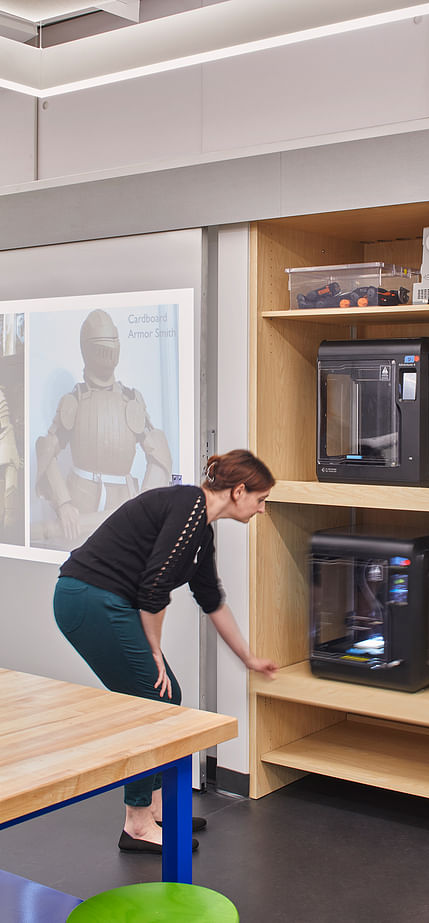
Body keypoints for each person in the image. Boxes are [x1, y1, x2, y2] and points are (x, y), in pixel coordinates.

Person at [53, 449, 278, 855]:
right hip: (87, 597)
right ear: (239, 490)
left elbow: (211, 600)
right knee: (155, 698)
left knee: (165, 697)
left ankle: (155, 810)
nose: (261, 510)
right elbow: (153, 587)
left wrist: (247, 657)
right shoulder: (188, 505)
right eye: (261, 500)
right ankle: (137, 823)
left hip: (106, 600)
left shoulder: (201, 530)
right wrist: (154, 650)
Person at [35, 308, 172, 547]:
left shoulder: (131, 399)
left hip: (124, 501)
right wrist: (64, 503)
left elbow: (159, 453)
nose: (108, 350)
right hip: (81, 503)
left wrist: (145, 501)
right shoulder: (74, 399)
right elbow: (46, 450)